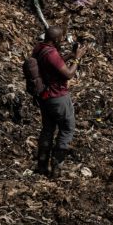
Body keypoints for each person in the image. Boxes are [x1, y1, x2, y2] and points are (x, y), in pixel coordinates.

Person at [30, 25, 89, 177]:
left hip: (44, 97)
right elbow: (68, 74)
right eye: (62, 38)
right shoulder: (52, 54)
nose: (63, 41)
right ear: (56, 39)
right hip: (58, 97)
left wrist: (70, 55)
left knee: (48, 129)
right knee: (67, 129)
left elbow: (55, 64)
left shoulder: (39, 48)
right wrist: (77, 58)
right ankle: (56, 169)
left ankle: (42, 166)